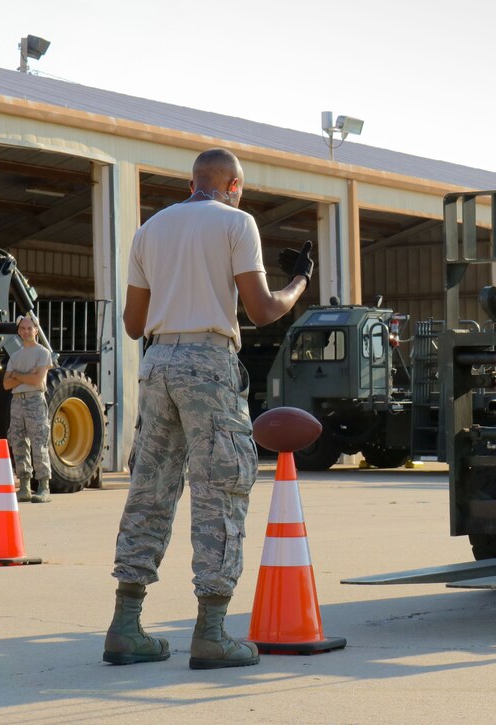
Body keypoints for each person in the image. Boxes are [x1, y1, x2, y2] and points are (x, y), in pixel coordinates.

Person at [104, 148, 314, 669]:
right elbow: (262, 309)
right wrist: (299, 284)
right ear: (234, 185)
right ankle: (212, 633)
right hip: (208, 363)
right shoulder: (237, 224)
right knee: (221, 489)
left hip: (157, 362)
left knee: (150, 490)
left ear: (191, 182)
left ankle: (126, 626)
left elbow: (133, 323)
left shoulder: (150, 229)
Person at [2, 314, 53, 503]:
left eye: (29, 328)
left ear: (36, 330)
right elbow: (6, 384)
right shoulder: (15, 356)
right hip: (17, 401)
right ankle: (24, 486)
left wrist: (17, 375)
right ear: (18, 331)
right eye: (22, 328)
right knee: (18, 442)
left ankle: (43, 487)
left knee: (39, 441)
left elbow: (37, 380)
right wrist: (26, 375)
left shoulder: (43, 353)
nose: (26, 331)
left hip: (34, 400)